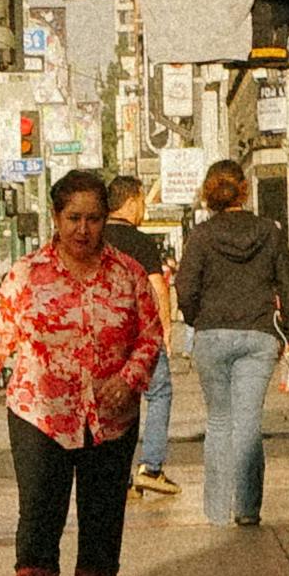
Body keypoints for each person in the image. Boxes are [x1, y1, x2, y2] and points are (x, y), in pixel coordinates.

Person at [0, 165, 165, 576]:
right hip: (40, 415)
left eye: (94, 219)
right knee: (40, 512)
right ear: (56, 220)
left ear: (106, 221)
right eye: (73, 219)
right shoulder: (28, 275)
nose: (83, 230)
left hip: (110, 420)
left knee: (103, 514)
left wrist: (128, 381)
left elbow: (150, 337)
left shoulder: (126, 275)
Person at [170, 159, 289, 523]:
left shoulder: (201, 236)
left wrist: (199, 319)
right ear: (244, 190)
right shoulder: (270, 232)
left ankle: (216, 511)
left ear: (209, 194)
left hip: (212, 334)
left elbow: (185, 288)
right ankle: (247, 509)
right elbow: (287, 284)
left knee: (219, 423)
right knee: (248, 424)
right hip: (259, 334)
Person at [105, 167, 184, 498]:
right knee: (159, 393)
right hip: (140, 334)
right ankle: (151, 466)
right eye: (142, 203)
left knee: (114, 402)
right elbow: (157, 286)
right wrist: (165, 329)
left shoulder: (95, 239)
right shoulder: (140, 242)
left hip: (105, 335)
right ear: (131, 202)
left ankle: (117, 477)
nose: (145, 211)